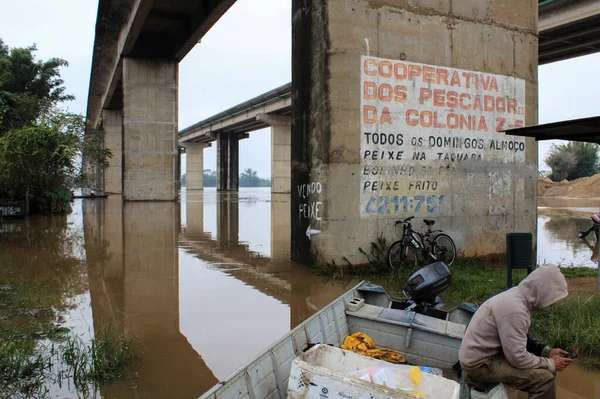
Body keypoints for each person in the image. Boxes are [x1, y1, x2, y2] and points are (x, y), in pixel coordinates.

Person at [458, 266, 574, 399]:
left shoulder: (517, 297)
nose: (553, 303)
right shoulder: (515, 310)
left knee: (545, 369)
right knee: (545, 380)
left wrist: (546, 352)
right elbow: (517, 357)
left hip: (484, 356)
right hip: (480, 365)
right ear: (543, 291)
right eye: (553, 298)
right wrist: (551, 363)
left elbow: (518, 338)